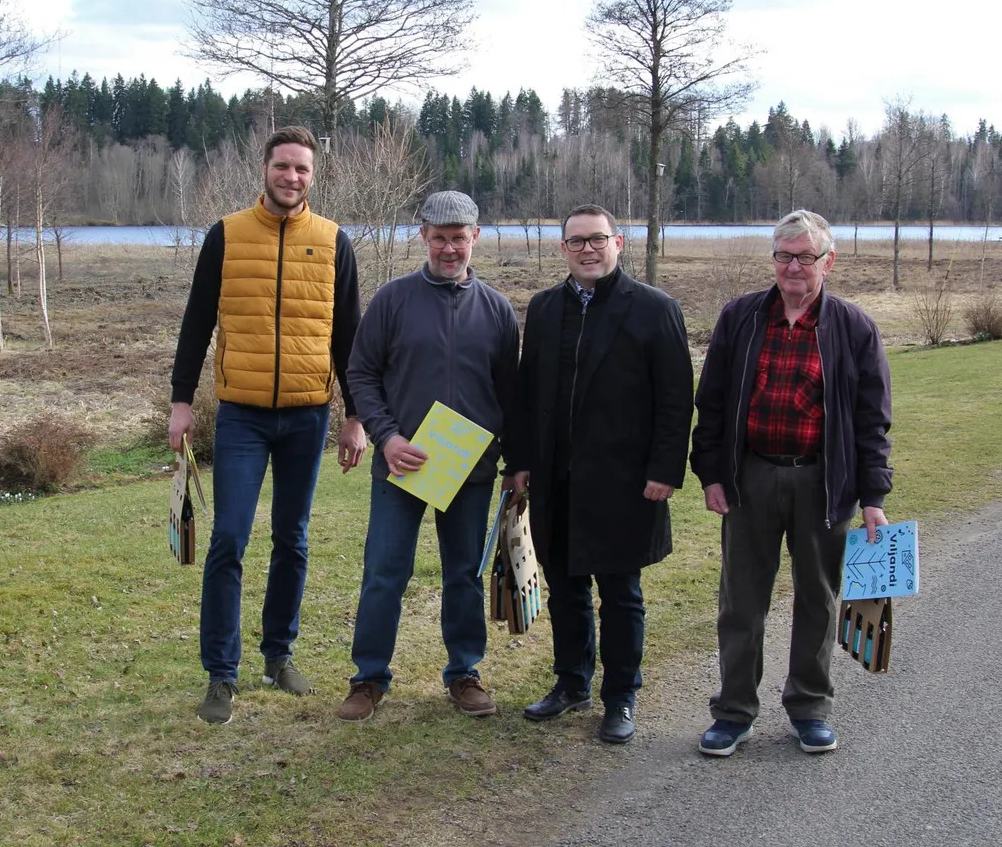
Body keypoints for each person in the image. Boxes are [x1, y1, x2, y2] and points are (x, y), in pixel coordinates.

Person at [169, 125, 368, 725]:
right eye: (283, 166)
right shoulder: (226, 236)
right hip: (242, 417)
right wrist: (181, 402)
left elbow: (349, 339)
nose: (292, 177)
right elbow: (197, 322)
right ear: (265, 169)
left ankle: (277, 655)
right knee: (229, 538)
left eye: (302, 169)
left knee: (293, 538)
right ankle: (220, 675)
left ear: (313, 175)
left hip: (308, 414)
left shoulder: (335, 243)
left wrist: (354, 416)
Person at [690, 209, 892, 757]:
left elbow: (872, 421)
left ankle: (808, 708)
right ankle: (733, 712)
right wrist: (710, 474)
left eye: (805, 255)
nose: (794, 266)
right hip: (750, 478)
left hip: (825, 484)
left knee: (819, 600)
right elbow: (709, 405)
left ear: (829, 261)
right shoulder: (741, 317)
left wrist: (873, 496)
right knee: (740, 602)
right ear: (773, 260)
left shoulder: (853, 327)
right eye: (784, 255)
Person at [503, 204, 695, 744]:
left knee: (620, 592)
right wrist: (519, 462)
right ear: (562, 249)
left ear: (619, 243)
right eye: (577, 242)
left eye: (598, 240)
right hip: (555, 479)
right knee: (564, 588)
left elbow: (677, 400)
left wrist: (665, 470)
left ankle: (621, 697)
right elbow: (525, 394)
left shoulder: (654, 309)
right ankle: (571, 682)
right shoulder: (543, 309)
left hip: (625, 480)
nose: (588, 249)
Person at [335, 190, 520, 722]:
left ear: (475, 238)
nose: (448, 249)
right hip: (401, 465)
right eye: (439, 238)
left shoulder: (498, 310)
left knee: (463, 572)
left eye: (458, 239)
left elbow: (510, 393)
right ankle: (369, 678)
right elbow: (362, 373)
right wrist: (388, 437)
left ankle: (464, 672)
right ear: (422, 235)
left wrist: (515, 461)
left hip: (470, 469)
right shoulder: (393, 300)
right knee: (385, 571)